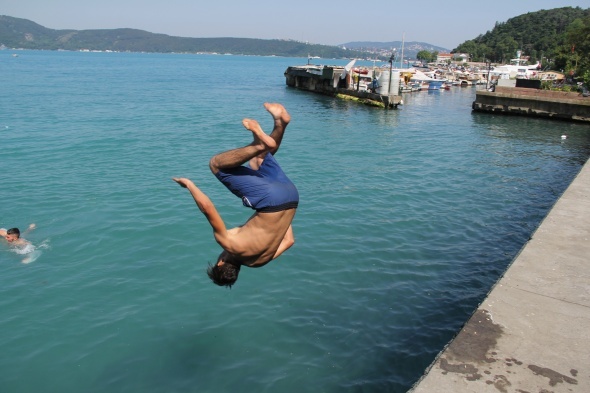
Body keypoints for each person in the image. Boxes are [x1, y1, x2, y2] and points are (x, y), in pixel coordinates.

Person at [173, 103, 298, 288]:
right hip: (270, 200)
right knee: (216, 164)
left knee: (259, 160)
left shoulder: (258, 262)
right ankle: (259, 144)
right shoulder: (229, 243)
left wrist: (283, 215)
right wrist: (190, 185)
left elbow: (289, 241)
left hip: (291, 198)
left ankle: (281, 122)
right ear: (220, 262)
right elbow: (208, 209)